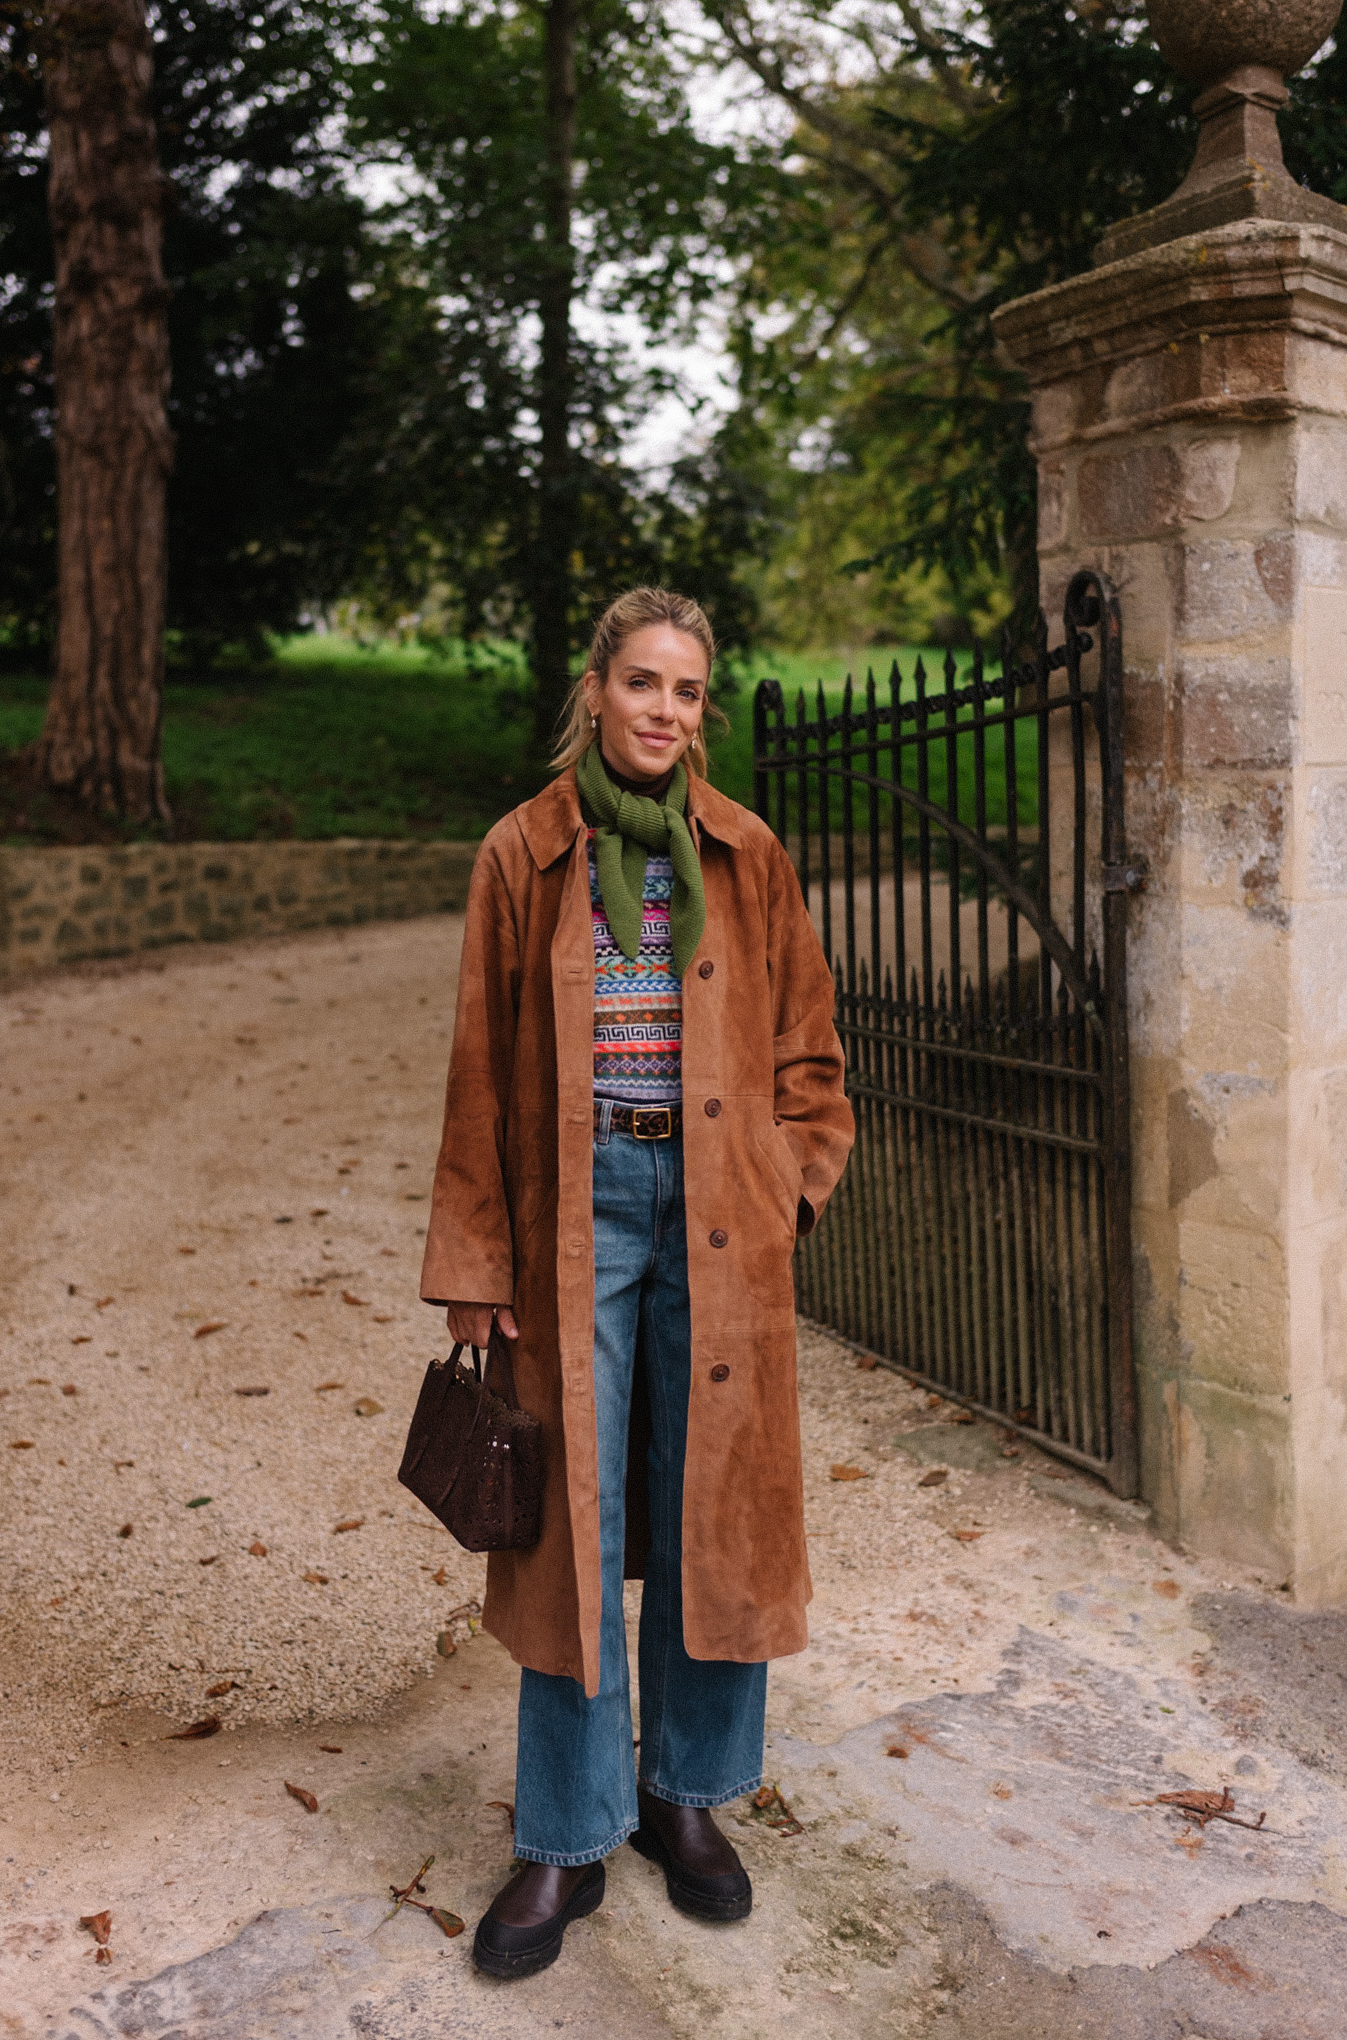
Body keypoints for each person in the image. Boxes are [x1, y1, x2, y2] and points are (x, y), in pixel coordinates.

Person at [420, 586, 854, 1980]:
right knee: (566, 1523)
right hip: (574, 1212)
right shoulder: (522, 854)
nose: (666, 711)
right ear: (596, 689)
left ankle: (684, 1795)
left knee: (710, 1505)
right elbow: (481, 1072)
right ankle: (562, 1833)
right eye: (644, 684)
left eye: (688, 691)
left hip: (720, 1211)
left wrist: (791, 1182)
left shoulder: (746, 852)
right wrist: (473, 1267)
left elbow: (810, 1050)